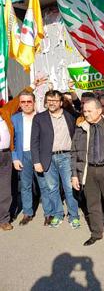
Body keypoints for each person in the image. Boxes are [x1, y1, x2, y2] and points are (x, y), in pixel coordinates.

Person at [71, 98, 104, 248]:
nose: (86, 113)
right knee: (92, 204)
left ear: (99, 111)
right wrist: (74, 175)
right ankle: (96, 233)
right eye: (84, 110)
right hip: (88, 171)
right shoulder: (80, 128)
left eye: (89, 111)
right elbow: (74, 153)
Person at [31, 90, 80, 229]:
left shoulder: (70, 115)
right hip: (47, 158)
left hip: (66, 156)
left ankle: (74, 216)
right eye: (49, 100)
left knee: (69, 188)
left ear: (61, 102)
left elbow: (80, 107)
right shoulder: (39, 118)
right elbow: (34, 141)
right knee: (52, 188)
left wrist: (73, 92)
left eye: (55, 100)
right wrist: (36, 161)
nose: (51, 103)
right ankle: (58, 214)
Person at [12, 90, 53, 226]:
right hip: (22, 156)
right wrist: (15, 158)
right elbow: (12, 140)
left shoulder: (43, 117)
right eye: (23, 102)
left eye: (29, 101)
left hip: (40, 156)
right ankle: (27, 213)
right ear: (19, 103)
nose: (26, 104)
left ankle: (48, 213)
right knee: (25, 186)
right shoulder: (15, 118)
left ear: (34, 102)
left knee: (44, 185)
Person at [0, 84, 37, 231]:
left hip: (5, 155)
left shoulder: (5, 112)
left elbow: (18, 100)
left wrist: (33, 85)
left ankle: (3, 219)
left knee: (5, 189)